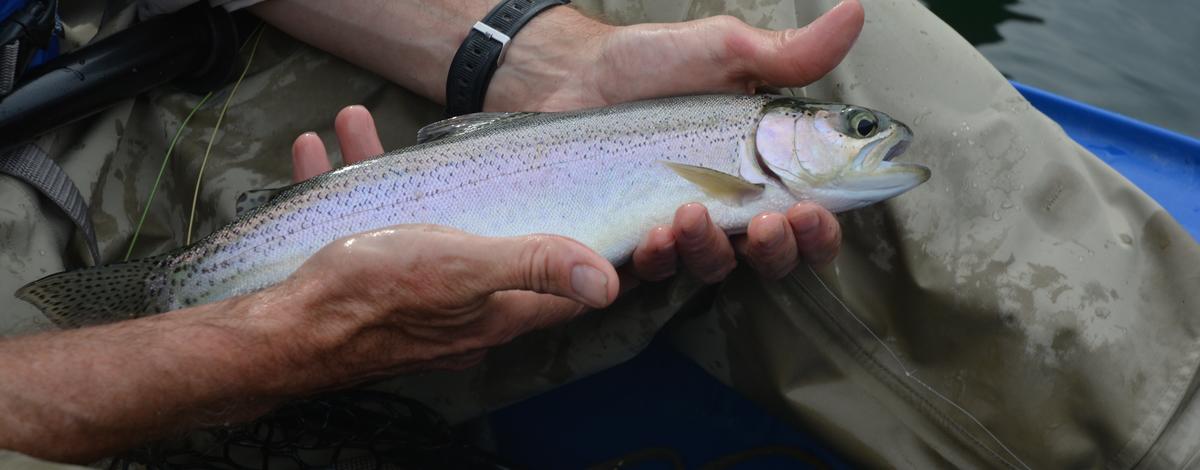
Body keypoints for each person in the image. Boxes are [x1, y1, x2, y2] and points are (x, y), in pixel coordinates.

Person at [3, 0, 1200, 468]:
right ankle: (174, 306)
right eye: (852, 132)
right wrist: (261, 340)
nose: (867, 141)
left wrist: (521, 51)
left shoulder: (744, 143)